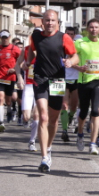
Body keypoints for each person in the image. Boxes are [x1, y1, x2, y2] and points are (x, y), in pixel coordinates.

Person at [25, 10, 78, 173]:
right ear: (42, 22)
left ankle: (48, 147)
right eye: (47, 20)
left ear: (57, 23)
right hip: (40, 78)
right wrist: (28, 61)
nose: (49, 23)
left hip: (57, 80)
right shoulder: (35, 36)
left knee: (53, 120)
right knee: (43, 116)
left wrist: (70, 62)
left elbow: (75, 56)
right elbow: (32, 50)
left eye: (52, 20)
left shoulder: (64, 37)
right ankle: (44, 158)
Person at [74, 19, 99, 155]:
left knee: (95, 111)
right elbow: (71, 59)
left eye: (96, 27)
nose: (94, 29)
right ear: (87, 29)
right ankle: (80, 133)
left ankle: (93, 143)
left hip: (98, 80)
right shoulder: (79, 43)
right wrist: (78, 67)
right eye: (91, 27)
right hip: (83, 81)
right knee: (83, 111)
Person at [0, 30, 21, 133]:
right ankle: (1, 122)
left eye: (6, 37)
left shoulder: (14, 49)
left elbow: (21, 61)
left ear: (9, 37)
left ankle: (10, 110)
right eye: (3, 37)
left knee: (8, 100)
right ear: (0, 37)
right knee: (0, 97)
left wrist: (15, 69)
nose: (4, 39)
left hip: (10, 77)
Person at [60, 27, 79, 141]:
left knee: (74, 106)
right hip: (63, 78)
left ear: (74, 35)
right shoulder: (60, 46)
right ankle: (64, 130)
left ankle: (70, 117)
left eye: (72, 34)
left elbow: (80, 61)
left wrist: (72, 64)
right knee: (64, 105)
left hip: (76, 79)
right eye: (68, 34)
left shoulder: (77, 46)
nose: (69, 36)